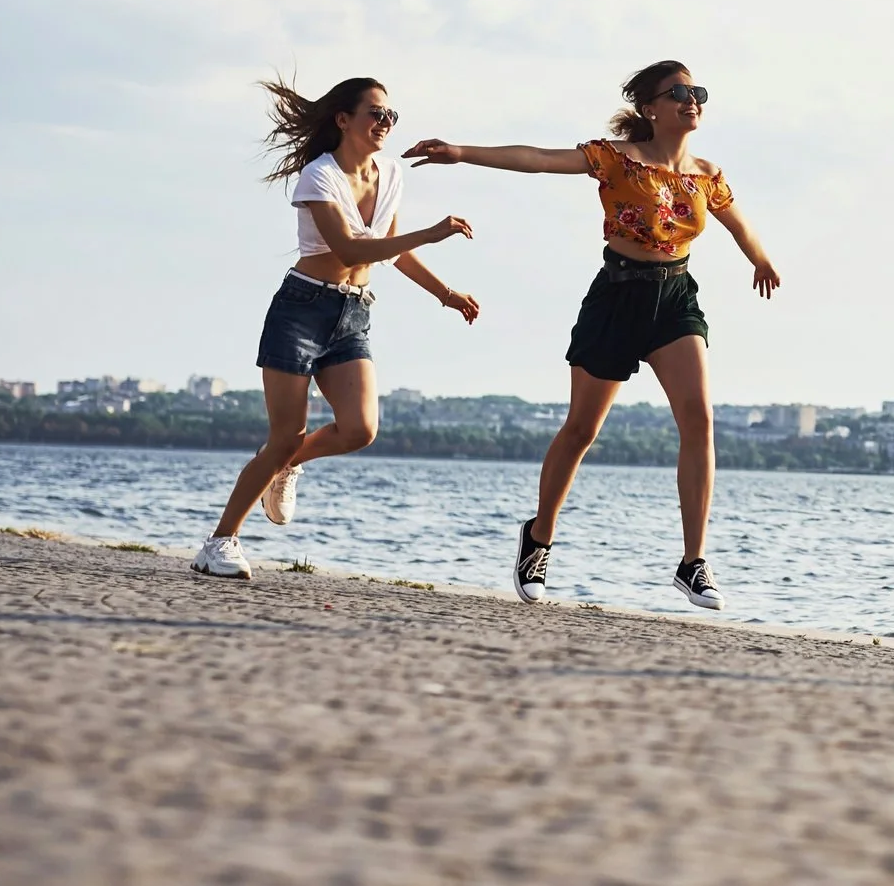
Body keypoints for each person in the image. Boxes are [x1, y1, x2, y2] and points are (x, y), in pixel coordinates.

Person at [404, 61, 779, 610]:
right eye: (678, 93)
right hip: (617, 298)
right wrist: (462, 152)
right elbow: (535, 160)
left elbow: (739, 224)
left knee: (699, 420)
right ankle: (539, 538)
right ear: (651, 107)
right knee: (582, 428)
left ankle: (693, 561)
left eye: (697, 92)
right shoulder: (615, 159)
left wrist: (761, 261)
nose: (691, 100)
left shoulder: (706, 174)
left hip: (675, 300)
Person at [191, 78, 479, 580]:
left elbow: (391, 247)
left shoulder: (390, 174)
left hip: (353, 313)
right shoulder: (317, 178)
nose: (385, 123)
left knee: (360, 429)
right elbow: (348, 250)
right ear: (344, 120)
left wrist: (445, 293)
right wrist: (434, 232)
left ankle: (284, 464)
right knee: (285, 435)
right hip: (300, 311)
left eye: (391, 115)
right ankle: (220, 543)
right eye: (375, 113)